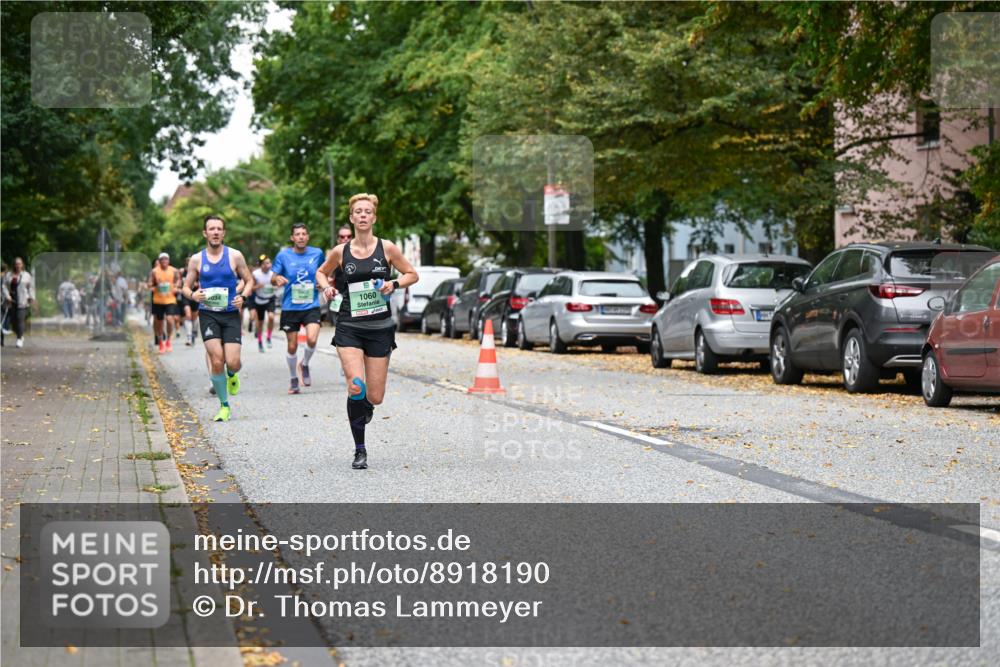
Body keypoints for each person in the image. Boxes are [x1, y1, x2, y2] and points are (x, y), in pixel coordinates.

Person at [317, 193, 419, 470]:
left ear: (373, 217)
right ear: (351, 218)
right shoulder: (341, 252)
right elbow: (320, 272)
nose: (362, 215)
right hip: (349, 324)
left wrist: (394, 284)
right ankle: (359, 449)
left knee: (374, 396)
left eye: (367, 212)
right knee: (355, 385)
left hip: (380, 327)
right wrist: (326, 286)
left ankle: (367, 406)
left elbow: (412, 274)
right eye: (358, 212)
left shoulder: (387, 249)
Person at [181, 214, 254, 422]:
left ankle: (232, 375)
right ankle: (224, 406)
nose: (215, 232)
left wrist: (243, 296)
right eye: (211, 229)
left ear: (223, 233)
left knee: (233, 362)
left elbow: (248, 280)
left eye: (218, 229)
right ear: (205, 233)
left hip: (231, 315)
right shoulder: (197, 259)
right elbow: (185, 287)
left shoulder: (235, 256)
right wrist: (193, 295)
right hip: (208, 314)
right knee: (216, 360)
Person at [272, 223, 325, 394]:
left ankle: (305, 364)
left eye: (304, 234)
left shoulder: (317, 253)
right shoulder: (283, 255)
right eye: (297, 234)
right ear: (292, 237)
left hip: (311, 305)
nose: (301, 237)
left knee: (311, 339)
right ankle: (293, 378)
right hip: (290, 307)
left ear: (308, 236)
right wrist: (277, 280)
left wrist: (322, 282)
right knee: (292, 346)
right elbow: (273, 277)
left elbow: (324, 272)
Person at [149, 253, 181, 352]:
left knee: (170, 319)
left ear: (169, 261)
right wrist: (154, 287)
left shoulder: (174, 270)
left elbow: (178, 280)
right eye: (162, 259)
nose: (164, 261)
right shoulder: (154, 271)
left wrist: (176, 287)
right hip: (158, 300)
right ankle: (160, 342)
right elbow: (149, 284)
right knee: (159, 322)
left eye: (166, 259)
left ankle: (168, 340)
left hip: (170, 299)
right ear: (159, 261)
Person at [2, 257, 36, 348]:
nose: (18, 265)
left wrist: (31, 297)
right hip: (11, 301)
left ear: (22, 265)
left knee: (19, 319)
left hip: (23, 300)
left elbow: (31, 287)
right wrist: (7, 296)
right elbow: (4, 286)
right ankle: (19, 334)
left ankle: (19, 339)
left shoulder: (26, 275)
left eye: (19, 264)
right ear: (13, 265)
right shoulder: (8, 275)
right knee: (13, 321)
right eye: (16, 264)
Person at [328, 225, 353, 328]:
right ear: (338, 239)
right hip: (340, 298)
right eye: (342, 237)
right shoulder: (334, 256)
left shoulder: (361, 253)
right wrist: (327, 283)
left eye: (348, 236)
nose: (345, 239)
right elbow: (326, 275)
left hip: (357, 298)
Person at [251, 255, 276, 352]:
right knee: (260, 323)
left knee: (271, 317)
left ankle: (269, 337)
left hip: (270, 299)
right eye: (266, 263)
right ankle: (260, 342)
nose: (268, 265)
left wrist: (276, 286)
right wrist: (258, 286)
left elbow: (278, 283)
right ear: (261, 265)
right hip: (259, 300)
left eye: (269, 263)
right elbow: (251, 288)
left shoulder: (273, 274)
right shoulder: (255, 274)